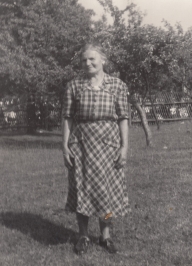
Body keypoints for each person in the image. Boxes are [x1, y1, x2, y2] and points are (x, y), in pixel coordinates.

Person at [62, 43, 131, 255]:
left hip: (108, 145)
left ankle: (106, 236)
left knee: (107, 192)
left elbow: (123, 118)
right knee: (81, 189)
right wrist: (65, 146)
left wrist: (124, 147)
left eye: (92, 59)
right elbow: (67, 117)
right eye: (84, 60)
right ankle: (83, 235)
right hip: (81, 145)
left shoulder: (117, 85)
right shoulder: (74, 86)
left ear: (103, 60)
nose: (88, 63)